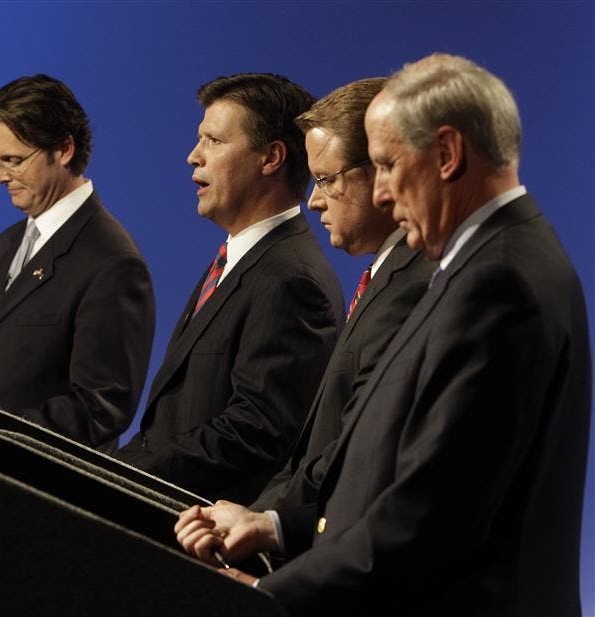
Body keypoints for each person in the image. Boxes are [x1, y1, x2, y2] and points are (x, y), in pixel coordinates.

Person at [176, 53, 591, 616]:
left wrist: (266, 596)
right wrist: (276, 524)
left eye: (389, 165)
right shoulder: (485, 266)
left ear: (446, 154)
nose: (384, 195)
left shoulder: (499, 281)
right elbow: (380, 471)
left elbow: (435, 515)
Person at [117, 73, 343, 504]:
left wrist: (120, 472)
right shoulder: (235, 261)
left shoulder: (292, 279)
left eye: (214, 141)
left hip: (203, 542)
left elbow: (255, 432)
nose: (192, 157)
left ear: (271, 157)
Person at [0, 74, 155, 452]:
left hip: (35, 488)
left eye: (14, 161)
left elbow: (101, 406)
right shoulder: (4, 245)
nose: (0, 177)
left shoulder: (113, 260)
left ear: (64, 149)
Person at [251, 77, 436, 512]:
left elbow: (365, 446)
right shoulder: (384, 280)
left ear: (383, 168)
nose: (314, 201)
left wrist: (270, 522)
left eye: (326, 178)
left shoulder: (421, 284)